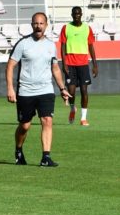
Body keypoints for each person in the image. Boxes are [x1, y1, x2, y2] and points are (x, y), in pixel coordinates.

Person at [5, 12, 71, 167]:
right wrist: (10, 88)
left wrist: (62, 88)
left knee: (47, 120)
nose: (38, 26)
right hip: (25, 91)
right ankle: (18, 150)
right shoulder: (23, 43)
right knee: (25, 126)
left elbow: (55, 68)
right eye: (35, 23)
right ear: (31, 25)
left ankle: (46, 157)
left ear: (46, 25)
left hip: (46, 90)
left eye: (41, 23)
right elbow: (10, 66)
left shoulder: (50, 45)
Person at [59, 6, 98, 127]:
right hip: (70, 64)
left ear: (81, 14)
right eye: (74, 14)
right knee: (71, 92)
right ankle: (72, 109)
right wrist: (64, 63)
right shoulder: (66, 28)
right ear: (72, 15)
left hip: (83, 64)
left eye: (78, 13)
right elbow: (62, 46)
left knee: (84, 90)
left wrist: (95, 64)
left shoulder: (87, 28)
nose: (76, 15)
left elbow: (91, 46)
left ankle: (83, 118)